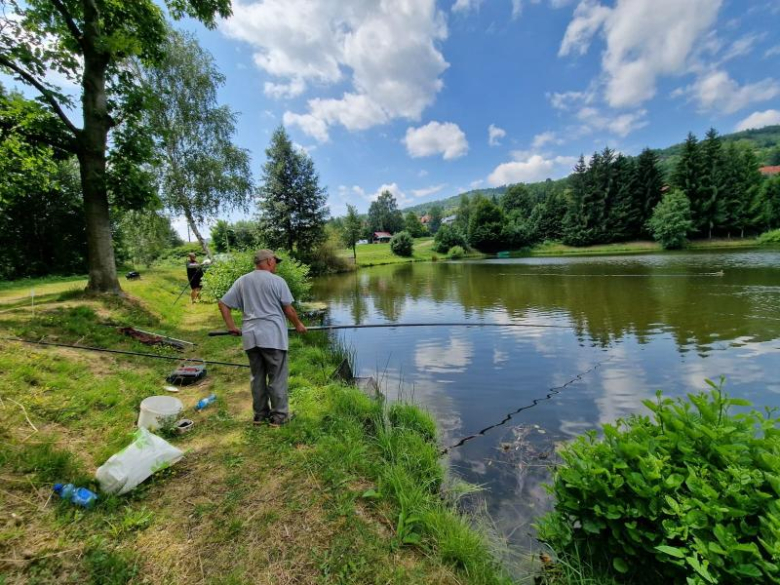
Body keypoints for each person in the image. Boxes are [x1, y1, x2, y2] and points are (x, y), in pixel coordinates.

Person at [218, 249, 307, 426]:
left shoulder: (242, 281)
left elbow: (223, 304)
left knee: (257, 377)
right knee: (277, 377)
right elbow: (288, 309)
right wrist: (298, 325)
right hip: (272, 336)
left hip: (251, 337)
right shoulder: (277, 281)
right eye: (275, 261)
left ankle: (260, 415)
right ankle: (279, 417)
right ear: (267, 261)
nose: (276, 264)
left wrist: (232, 327)